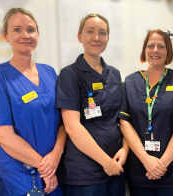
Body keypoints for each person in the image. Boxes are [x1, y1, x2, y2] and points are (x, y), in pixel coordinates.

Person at [0, 7, 66, 195]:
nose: (25, 35)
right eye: (17, 29)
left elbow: (64, 122)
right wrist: (45, 167)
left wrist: (55, 156)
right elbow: (3, 136)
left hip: (55, 169)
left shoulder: (50, 72)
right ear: (5, 35)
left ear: (38, 34)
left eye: (31, 29)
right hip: (17, 175)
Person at [119, 29, 173, 196]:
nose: (155, 50)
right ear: (144, 50)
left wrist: (160, 165)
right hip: (141, 170)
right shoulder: (130, 82)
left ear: (168, 51)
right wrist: (146, 160)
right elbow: (125, 123)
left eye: (161, 46)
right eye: (151, 46)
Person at [56, 14, 127, 196]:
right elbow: (72, 126)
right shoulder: (69, 75)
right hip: (84, 173)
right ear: (80, 36)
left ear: (108, 39)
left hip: (116, 165)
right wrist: (106, 162)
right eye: (90, 31)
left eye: (102, 33)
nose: (96, 37)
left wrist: (124, 150)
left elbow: (122, 118)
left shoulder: (115, 74)